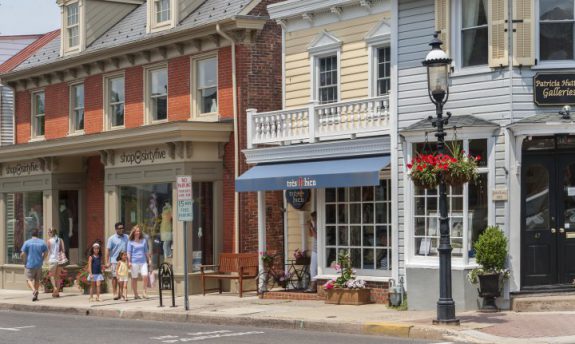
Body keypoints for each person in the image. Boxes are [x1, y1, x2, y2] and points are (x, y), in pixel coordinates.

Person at [20, 228, 48, 301]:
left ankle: (34, 291)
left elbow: (22, 254)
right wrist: (42, 259)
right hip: (39, 264)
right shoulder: (42, 242)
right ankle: (36, 296)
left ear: (31, 234)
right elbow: (46, 253)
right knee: (37, 280)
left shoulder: (27, 242)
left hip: (30, 264)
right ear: (38, 234)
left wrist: (24, 260)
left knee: (28, 279)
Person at [106, 222, 129, 300]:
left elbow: (129, 249)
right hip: (114, 261)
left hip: (124, 262)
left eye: (122, 228)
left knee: (122, 278)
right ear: (116, 229)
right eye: (120, 228)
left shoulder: (127, 237)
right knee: (115, 277)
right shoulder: (111, 239)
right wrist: (107, 261)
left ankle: (120, 293)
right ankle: (115, 293)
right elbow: (108, 250)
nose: (122, 229)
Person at [127, 225, 151, 299]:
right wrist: (129, 261)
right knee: (134, 278)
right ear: (134, 232)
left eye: (139, 231)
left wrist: (149, 259)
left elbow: (146, 251)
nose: (138, 232)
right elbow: (128, 252)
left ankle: (144, 292)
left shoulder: (143, 240)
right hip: (134, 262)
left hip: (143, 261)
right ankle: (136, 294)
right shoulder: (130, 242)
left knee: (145, 276)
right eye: (136, 231)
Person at [46, 228, 65, 298]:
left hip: (52, 260)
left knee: (51, 276)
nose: (48, 233)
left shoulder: (49, 241)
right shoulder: (60, 240)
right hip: (59, 260)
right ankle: (56, 293)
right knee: (58, 276)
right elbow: (63, 250)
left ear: (51, 233)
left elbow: (47, 251)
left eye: (48, 232)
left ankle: (55, 288)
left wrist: (45, 259)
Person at [305, 211, 318, 293]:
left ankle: (313, 286)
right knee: (312, 268)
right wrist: (310, 227)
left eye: (314, 218)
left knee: (315, 268)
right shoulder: (315, 225)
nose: (313, 219)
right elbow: (311, 235)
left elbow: (317, 236)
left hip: (320, 249)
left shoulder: (320, 224)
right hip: (315, 249)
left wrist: (312, 227)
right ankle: (313, 285)